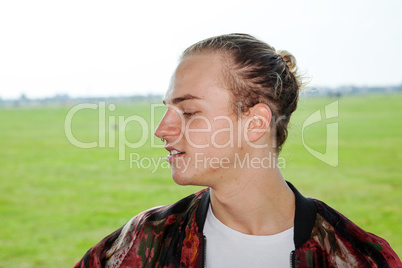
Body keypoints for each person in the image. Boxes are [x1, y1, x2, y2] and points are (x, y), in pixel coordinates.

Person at [74, 34, 401, 268]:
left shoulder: (359, 257)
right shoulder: (144, 240)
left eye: (188, 112)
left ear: (256, 123)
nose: (161, 130)